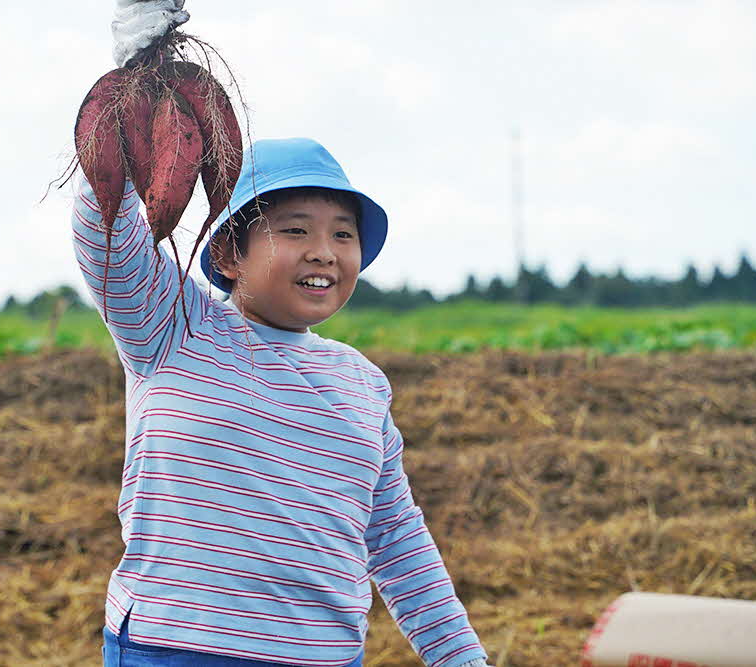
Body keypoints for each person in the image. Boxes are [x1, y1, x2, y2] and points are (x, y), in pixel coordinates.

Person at [70, 136, 490, 667]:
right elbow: (107, 238)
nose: (324, 251)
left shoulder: (361, 382)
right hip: (177, 646)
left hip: (322, 655)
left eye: (343, 233)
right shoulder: (176, 327)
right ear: (227, 253)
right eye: (295, 230)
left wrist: (460, 659)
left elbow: (395, 537)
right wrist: (123, 137)